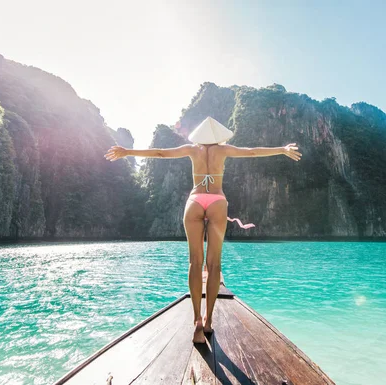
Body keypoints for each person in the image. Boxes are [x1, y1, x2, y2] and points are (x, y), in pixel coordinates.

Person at [105, 116, 301, 343]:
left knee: (194, 262)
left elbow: (160, 153)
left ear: (198, 135)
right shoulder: (224, 150)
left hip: (195, 200)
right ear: (218, 135)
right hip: (217, 201)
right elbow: (252, 152)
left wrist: (127, 152)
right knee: (214, 264)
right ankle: (208, 321)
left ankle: (196, 319)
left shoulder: (191, 149)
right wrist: (282, 149)